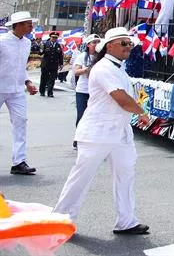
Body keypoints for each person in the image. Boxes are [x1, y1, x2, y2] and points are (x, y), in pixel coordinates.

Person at [53, 27, 150, 235]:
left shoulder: (118, 68)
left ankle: (126, 221)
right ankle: (61, 221)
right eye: (124, 43)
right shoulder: (104, 68)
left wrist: (136, 110)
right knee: (81, 177)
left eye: (130, 44)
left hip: (120, 133)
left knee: (125, 175)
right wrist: (142, 112)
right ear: (110, 45)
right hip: (98, 132)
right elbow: (121, 98)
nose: (128, 47)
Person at [0, 11, 38, 175]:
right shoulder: (2, 42)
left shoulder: (27, 43)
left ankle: (19, 162)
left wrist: (27, 81)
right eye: (28, 23)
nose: (31, 26)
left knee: (21, 122)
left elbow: (21, 67)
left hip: (16, 90)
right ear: (18, 25)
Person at [72, 34, 101, 148]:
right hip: (83, 90)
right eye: (94, 42)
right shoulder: (82, 56)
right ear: (88, 45)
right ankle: (79, 138)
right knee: (82, 115)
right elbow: (76, 71)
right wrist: (85, 70)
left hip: (96, 91)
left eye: (98, 42)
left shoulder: (101, 58)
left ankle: (91, 138)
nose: (96, 45)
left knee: (94, 116)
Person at [39, 31, 64, 98]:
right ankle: (42, 91)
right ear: (50, 37)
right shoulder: (45, 44)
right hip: (46, 64)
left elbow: (60, 55)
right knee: (44, 78)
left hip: (54, 65)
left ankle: (50, 92)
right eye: (53, 37)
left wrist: (61, 64)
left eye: (55, 38)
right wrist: (41, 49)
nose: (54, 39)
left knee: (52, 79)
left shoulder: (58, 45)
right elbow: (40, 53)